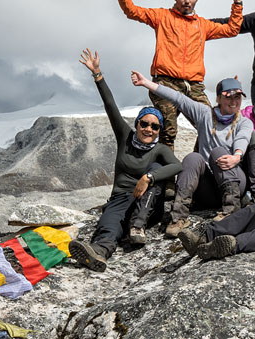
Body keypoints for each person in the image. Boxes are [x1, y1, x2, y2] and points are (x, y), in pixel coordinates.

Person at [103, 0, 245, 149]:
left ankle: (198, 165)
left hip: (194, 86)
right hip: (165, 83)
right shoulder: (162, 17)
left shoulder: (203, 25)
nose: (187, 0)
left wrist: (237, 4)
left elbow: (232, 29)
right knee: (168, 130)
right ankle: (166, 175)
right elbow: (131, 11)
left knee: (211, 124)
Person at [69, 49, 183, 272]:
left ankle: (137, 227)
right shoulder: (125, 136)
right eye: (144, 124)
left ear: (159, 130)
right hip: (121, 199)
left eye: (154, 126)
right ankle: (99, 254)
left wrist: (148, 177)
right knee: (109, 224)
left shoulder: (159, 148)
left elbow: (177, 166)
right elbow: (110, 106)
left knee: (158, 167)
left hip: (148, 206)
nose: (149, 129)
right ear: (137, 124)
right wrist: (98, 75)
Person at [131, 70, 254, 237]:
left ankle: (231, 209)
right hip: (208, 191)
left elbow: (243, 138)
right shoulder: (205, 114)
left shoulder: (244, 122)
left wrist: (237, 156)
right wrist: (147, 83)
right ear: (219, 98)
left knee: (218, 152)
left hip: (234, 183)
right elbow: (178, 98)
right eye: (228, 96)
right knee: (192, 158)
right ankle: (178, 217)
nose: (233, 101)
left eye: (237, 97)